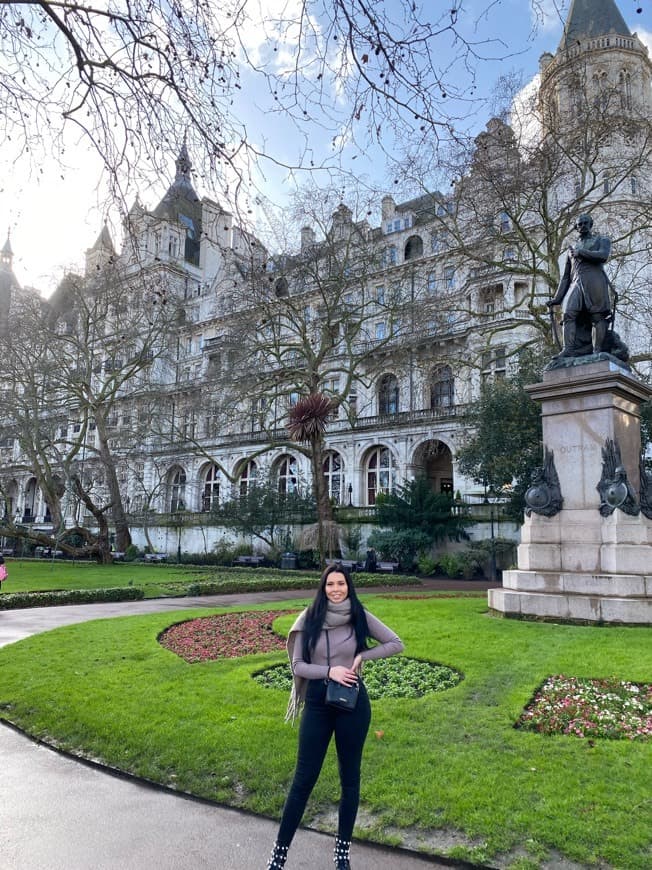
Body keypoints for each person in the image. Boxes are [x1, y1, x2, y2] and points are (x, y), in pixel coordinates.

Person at [266, 564, 404, 870]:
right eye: (331, 584)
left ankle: (342, 854)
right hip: (317, 703)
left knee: (350, 780)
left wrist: (361, 656)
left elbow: (396, 643)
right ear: (323, 587)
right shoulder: (310, 617)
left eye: (341, 583)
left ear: (348, 586)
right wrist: (330, 671)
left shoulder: (358, 614)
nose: (336, 589)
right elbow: (299, 665)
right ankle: (278, 857)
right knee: (303, 780)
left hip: (352, 704)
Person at [547, 214, 612, 358]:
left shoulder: (602, 240)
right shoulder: (571, 249)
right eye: (579, 224)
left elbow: (603, 255)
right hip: (576, 282)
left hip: (595, 280)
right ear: (576, 227)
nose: (582, 226)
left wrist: (581, 252)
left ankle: (597, 351)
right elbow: (565, 277)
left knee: (597, 316)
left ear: (591, 224)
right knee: (568, 313)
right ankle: (568, 349)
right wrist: (557, 299)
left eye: (585, 223)